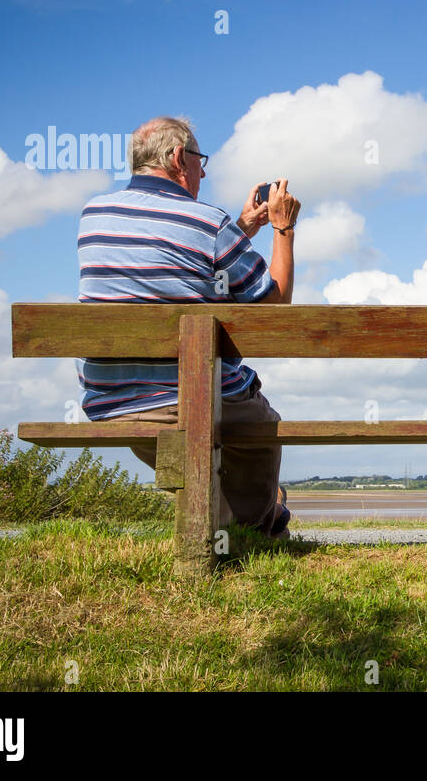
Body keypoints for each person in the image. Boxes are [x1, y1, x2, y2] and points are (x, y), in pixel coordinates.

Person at [75, 116, 301, 538]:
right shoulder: (207, 222)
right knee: (259, 429)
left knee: (203, 455)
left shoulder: (93, 215)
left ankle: (224, 528)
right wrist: (282, 228)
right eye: (201, 162)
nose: (201, 172)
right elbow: (275, 313)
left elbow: (170, 267)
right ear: (180, 157)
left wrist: (241, 229)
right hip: (193, 400)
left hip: (114, 402)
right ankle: (261, 529)